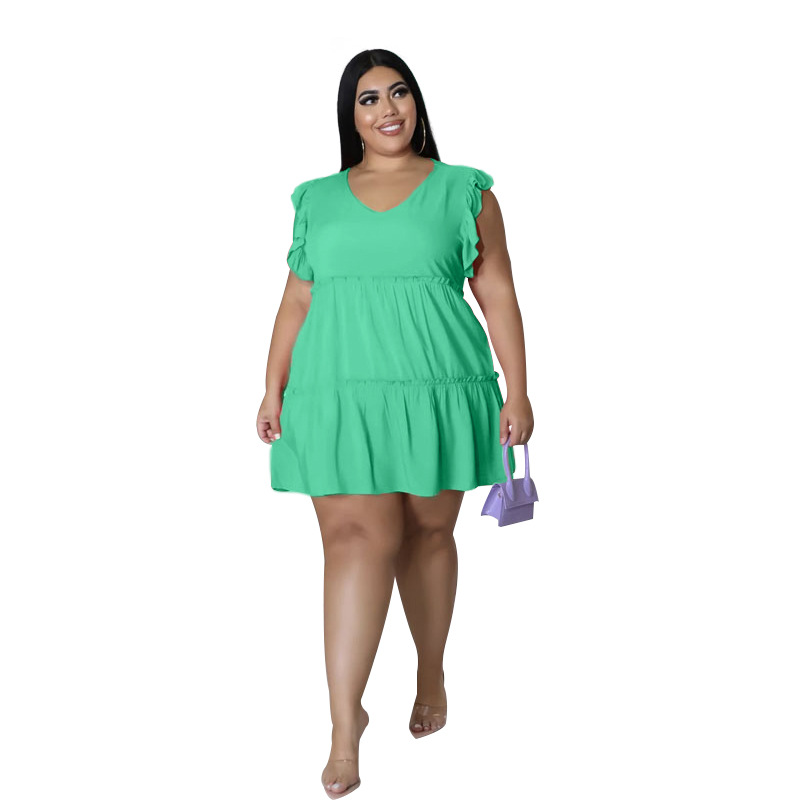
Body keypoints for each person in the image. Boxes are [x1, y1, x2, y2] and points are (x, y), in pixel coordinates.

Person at [257, 49, 534, 798]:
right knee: (354, 540)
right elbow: (297, 298)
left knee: (426, 536)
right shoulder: (317, 198)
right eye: (369, 98)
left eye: (399, 93)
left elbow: (497, 292)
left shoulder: (464, 191)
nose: (388, 109)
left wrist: (519, 391)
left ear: (417, 104)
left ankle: (431, 671)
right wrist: (272, 387)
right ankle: (344, 728)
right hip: (336, 391)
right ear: (350, 116)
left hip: (438, 388)